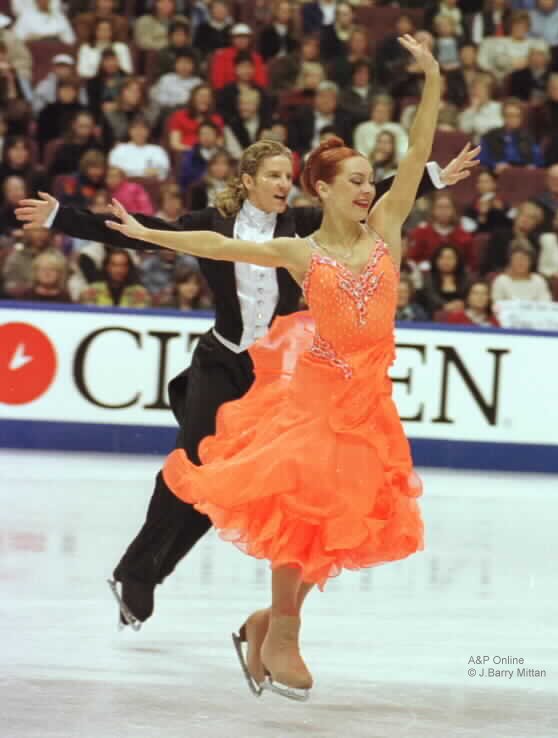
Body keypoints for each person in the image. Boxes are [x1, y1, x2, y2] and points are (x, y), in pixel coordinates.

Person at [15, 135, 479, 632]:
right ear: (248, 181)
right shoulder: (210, 223)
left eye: (288, 176)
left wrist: (432, 177)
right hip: (221, 361)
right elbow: (143, 232)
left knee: (234, 487)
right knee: (192, 463)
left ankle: (187, 584)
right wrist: (60, 217)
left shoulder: (304, 226)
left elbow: (367, 193)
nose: (283, 184)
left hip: (277, 375)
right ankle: (138, 571)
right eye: (273, 176)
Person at [102, 33, 440, 699]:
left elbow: (418, 150)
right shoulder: (299, 251)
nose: (367, 189)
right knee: (301, 507)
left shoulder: (387, 228)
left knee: (346, 516)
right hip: (315, 395)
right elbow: (214, 243)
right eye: (354, 181)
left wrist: (431, 80)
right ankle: (284, 630)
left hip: (369, 399)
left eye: (370, 180)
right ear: (323, 188)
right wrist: (149, 233)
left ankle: (265, 622)